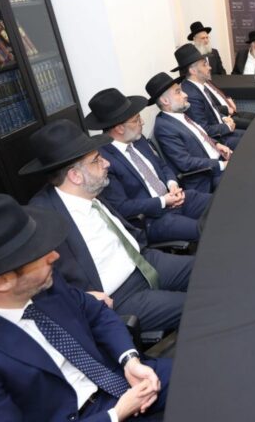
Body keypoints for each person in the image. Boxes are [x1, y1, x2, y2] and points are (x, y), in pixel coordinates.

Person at [0, 194, 171, 421]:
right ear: (1, 281)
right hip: (89, 415)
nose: (54, 256)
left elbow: (96, 313)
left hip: (120, 377)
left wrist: (130, 360)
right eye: (36, 254)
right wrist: (116, 414)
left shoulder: (44, 283)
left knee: (194, 376)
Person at [21, 119, 195, 333]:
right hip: (120, 295)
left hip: (143, 262)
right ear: (75, 176)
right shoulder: (42, 220)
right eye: (97, 160)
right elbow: (41, 284)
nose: (107, 163)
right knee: (198, 305)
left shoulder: (91, 191)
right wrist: (83, 299)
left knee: (210, 269)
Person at [85, 88, 211, 243]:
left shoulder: (139, 140)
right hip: (153, 219)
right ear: (119, 128)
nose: (142, 122)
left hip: (175, 198)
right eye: (136, 120)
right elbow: (122, 207)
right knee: (206, 229)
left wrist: (172, 184)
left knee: (221, 202)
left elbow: (162, 166)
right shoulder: (104, 161)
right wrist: (163, 201)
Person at [147, 72, 231, 195]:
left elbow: (199, 135)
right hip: (207, 177)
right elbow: (185, 163)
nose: (185, 94)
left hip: (216, 160)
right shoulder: (164, 128)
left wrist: (216, 144)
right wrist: (221, 165)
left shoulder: (179, 113)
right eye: (178, 92)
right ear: (165, 101)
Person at [175, 43, 246, 145]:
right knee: (254, 140)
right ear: (193, 71)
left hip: (222, 131)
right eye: (204, 64)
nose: (210, 67)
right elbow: (203, 130)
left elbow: (211, 111)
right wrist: (226, 127)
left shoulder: (199, 85)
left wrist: (223, 117)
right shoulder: (191, 95)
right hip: (218, 141)